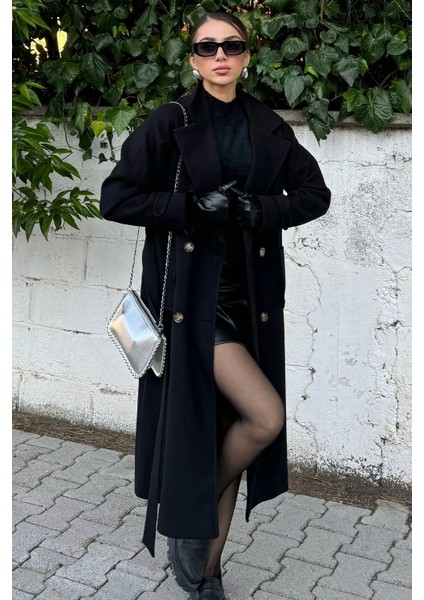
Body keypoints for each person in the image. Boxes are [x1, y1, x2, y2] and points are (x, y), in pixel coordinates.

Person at [100, 11, 331, 600]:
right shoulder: (171, 121)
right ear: (193, 59)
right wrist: (188, 208)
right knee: (265, 417)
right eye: (207, 47)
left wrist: (261, 210)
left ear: (247, 55)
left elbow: (315, 194)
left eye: (231, 45)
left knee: (231, 427)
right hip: (190, 303)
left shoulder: (267, 125)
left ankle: (206, 572)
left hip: (249, 301)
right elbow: (116, 197)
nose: (220, 55)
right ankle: (192, 519)